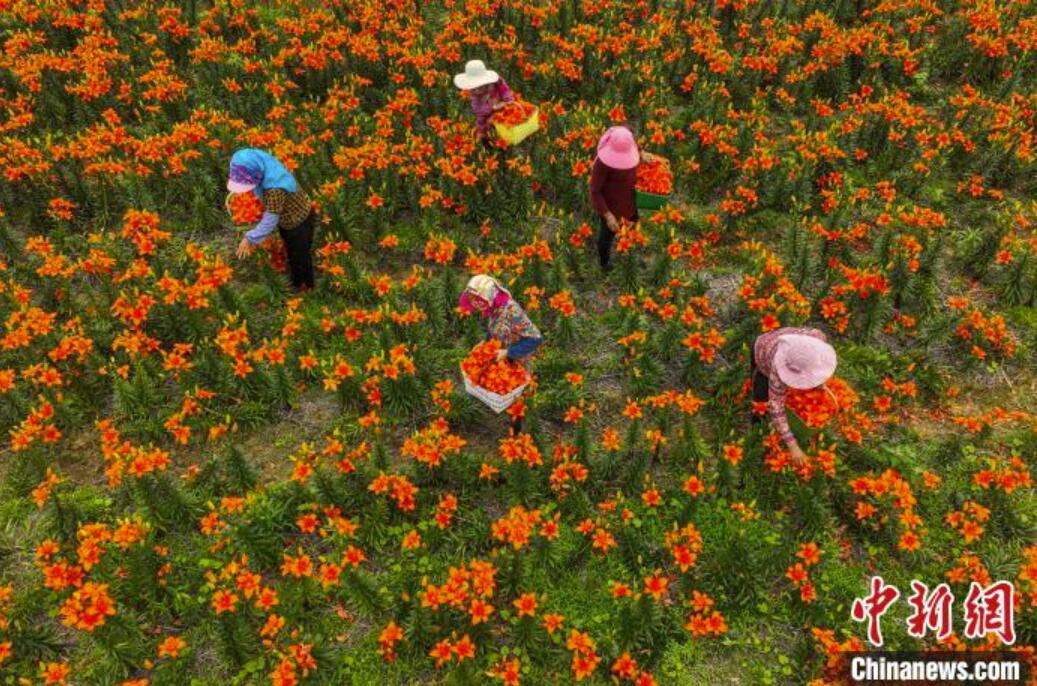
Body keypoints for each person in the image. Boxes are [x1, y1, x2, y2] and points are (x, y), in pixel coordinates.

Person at [459, 275, 543, 432]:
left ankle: (517, 428)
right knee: (504, 390)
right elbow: (494, 329)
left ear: (489, 295)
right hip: (502, 359)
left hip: (519, 361)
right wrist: (485, 342)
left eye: (478, 299)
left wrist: (508, 352)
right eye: (472, 299)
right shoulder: (493, 308)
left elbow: (536, 339)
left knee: (518, 398)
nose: (475, 303)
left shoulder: (512, 311)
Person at [228, 148, 316, 292]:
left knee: (300, 257)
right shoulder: (263, 162)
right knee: (294, 250)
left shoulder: (275, 190)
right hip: (290, 216)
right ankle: (299, 278)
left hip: (298, 222)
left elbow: (270, 220)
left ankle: (305, 286)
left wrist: (250, 238)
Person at [751, 327, 838, 467]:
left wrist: (818, 381)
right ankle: (758, 422)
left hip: (780, 338)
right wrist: (793, 446)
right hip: (761, 349)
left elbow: (814, 365)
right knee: (761, 392)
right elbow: (776, 406)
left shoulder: (817, 337)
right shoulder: (777, 371)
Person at [589, 125, 658, 271]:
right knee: (606, 237)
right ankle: (604, 264)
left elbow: (633, 144)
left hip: (630, 201)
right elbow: (595, 191)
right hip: (610, 206)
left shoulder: (627, 139)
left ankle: (630, 256)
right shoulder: (601, 163)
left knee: (633, 228)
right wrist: (608, 215)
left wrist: (641, 153)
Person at [453, 60, 515, 149]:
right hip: (487, 120)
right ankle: (490, 147)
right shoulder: (476, 100)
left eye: (479, 86)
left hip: (506, 111)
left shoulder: (496, 81)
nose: (476, 91)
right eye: (473, 88)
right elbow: (482, 115)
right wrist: (493, 112)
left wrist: (506, 102)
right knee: (486, 136)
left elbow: (506, 92)